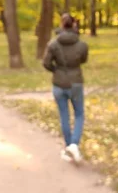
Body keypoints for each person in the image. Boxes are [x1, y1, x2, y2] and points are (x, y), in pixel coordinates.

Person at [42, 13, 88, 163]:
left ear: (62, 25)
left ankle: (69, 147)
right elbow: (83, 59)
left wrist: (57, 70)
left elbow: (46, 63)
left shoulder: (53, 44)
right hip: (75, 83)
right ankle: (74, 144)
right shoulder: (81, 45)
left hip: (59, 84)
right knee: (79, 114)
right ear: (73, 25)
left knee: (64, 116)